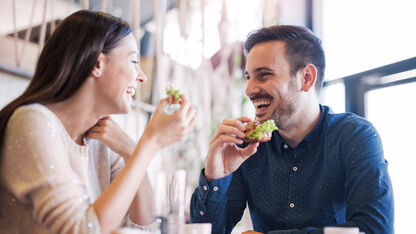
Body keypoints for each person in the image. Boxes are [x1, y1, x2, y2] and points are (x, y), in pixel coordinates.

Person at [0, 10, 196, 234]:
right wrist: (151, 143)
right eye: (133, 60)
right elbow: (83, 229)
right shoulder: (31, 122)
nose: (142, 77)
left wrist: (133, 150)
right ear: (97, 64)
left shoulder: (100, 142)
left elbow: (143, 223)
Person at [190, 25, 393, 234]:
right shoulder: (245, 147)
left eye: (264, 75)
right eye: (248, 76)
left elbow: (375, 229)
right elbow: (207, 232)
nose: (249, 89)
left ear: (306, 78)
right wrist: (215, 177)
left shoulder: (354, 136)